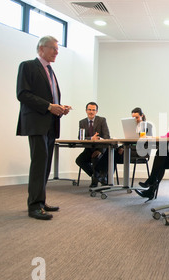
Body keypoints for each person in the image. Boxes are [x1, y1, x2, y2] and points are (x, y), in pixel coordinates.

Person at [16, 36, 71, 220]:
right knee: (39, 163)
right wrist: (49, 106)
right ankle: (34, 206)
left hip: (50, 123)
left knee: (46, 164)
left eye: (57, 49)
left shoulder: (50, 70)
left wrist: (60, 108)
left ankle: (41, 200)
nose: (57, 52)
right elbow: (22, 94)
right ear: (41, 48)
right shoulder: (28, 66)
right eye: (54, 48)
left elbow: (51, 98)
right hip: (36, 123)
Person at [75, 102, 111, 187]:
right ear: (86, 110)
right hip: (88, 149)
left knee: (95, 158)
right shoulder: (82, 122)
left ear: (96, 111)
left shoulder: (102, 120)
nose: (91, 112)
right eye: (89, 110)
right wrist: (91, 138)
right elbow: (80, 138)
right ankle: (97, 176)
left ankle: (95, 181)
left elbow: (107, 136)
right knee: (79, 160)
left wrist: (100, 150)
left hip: (100, 149)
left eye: (93, 110)